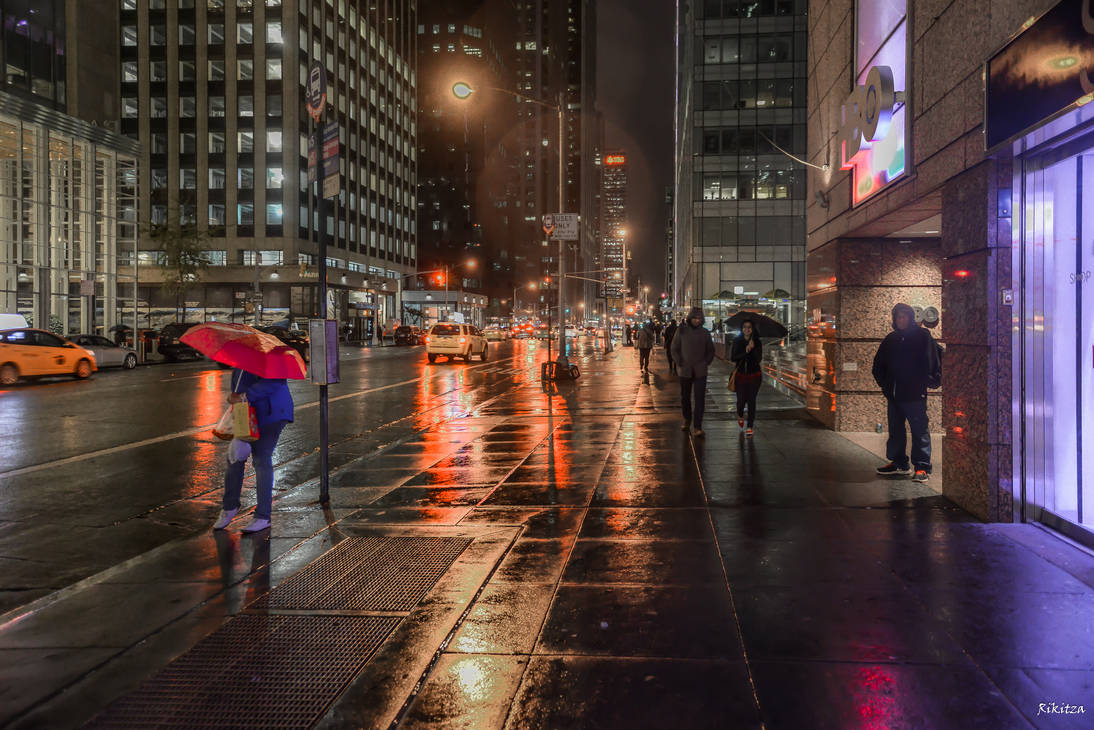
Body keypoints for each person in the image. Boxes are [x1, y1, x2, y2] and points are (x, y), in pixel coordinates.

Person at [214, 367, 295, 532]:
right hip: (248, 413)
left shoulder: (269, 353)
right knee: (235, 455)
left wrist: (245, 396)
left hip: (272, 414)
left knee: (261, 458)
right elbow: (239, 384)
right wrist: (235, 397)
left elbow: (274, 380)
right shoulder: (243, 355)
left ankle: (263, 516)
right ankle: (229, 506)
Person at [872, 303, 941, 483]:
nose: (901, 320)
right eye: (898, 317)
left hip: (914, 394)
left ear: (911, 318)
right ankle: (899, 463)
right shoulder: (891, 339)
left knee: (919, 430)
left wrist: (925, 382)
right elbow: (878, 364)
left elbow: (932, 361)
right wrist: (885, 385)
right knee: (896, 430)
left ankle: (922, 467)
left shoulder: (922, 336)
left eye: (904, 316)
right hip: (894, 395)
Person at [670, 307, 715, 436]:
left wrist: (706, 362)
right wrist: (679, 362)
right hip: (685, 370)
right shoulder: (682, 331)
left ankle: (697, 426)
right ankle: (687, 419)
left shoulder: (705, 333)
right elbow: (674, 348)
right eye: (695, 318)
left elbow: (711, 350)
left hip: (700, 371)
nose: (697, 320)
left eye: (699, 318)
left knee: (700, 399)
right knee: (685, 398)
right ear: (690, 318)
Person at [730, 319, 764, 437]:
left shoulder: (757, 342)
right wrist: (746, 350)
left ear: (752, 329)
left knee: (751, 400)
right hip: (740, 376)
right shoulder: (737, 341)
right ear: (741, 328)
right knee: (740, 401)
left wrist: (753, 348)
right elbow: (733, 358)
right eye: (744, 327)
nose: (747, 329)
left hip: (754, 375)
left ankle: (750, 426)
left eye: (749, 327)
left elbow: (758, 359)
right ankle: (740, 414)